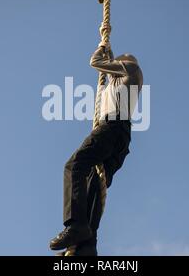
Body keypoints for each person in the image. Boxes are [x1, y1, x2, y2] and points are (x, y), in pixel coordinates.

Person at [49, 44, 143, 255]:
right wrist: (108, 54)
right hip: (121, 137)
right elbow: (107, 71)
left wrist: (101, 50)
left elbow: (96, 63)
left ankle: (75, 226)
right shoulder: (119, 82)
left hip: (112, 128)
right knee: (93, 186)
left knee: (74, 166)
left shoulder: (131, 69)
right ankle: (88, 246)